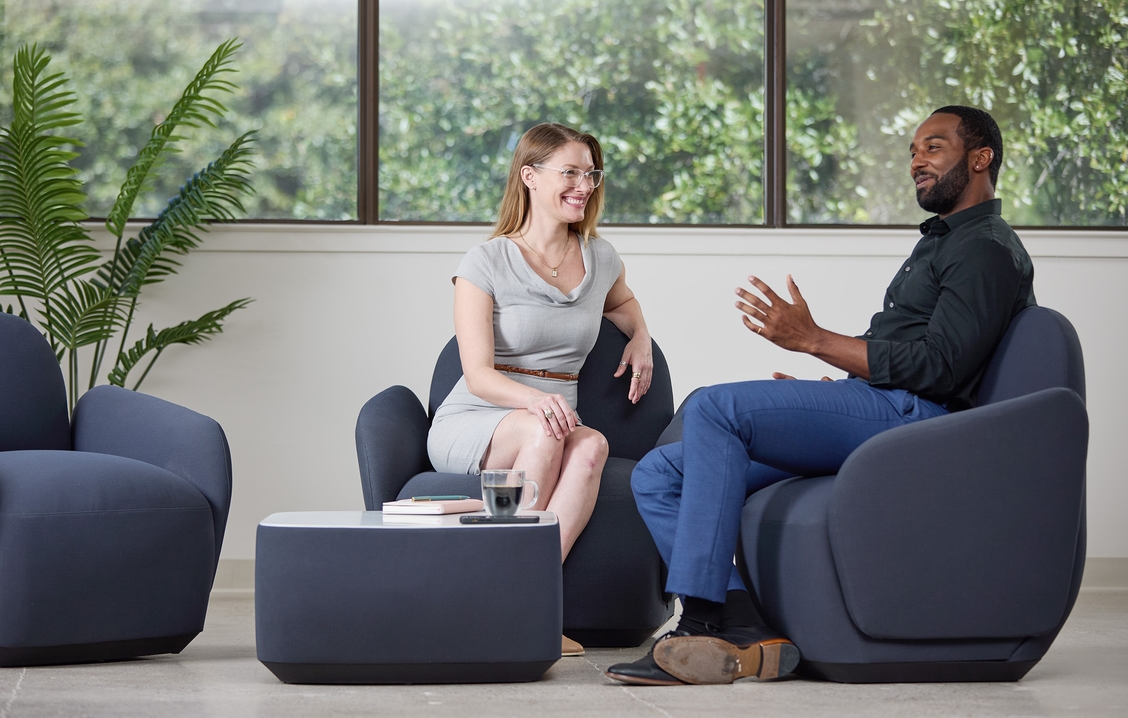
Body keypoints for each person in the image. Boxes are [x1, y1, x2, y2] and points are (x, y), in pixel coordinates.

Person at [606, 105, 1036, 686]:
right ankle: (745, 625)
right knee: (657, 473)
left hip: (917, 420)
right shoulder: (942, 243)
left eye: (933, 147)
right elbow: (911, 347)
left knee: (714, 406)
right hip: (883, 400)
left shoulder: (984, 248)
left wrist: (812, 340)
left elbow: (939, 368)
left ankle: (699, 622)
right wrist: (839, 378)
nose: (916, 161)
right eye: (912, 151)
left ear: (981, 158)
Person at [427, 123, 654, 656]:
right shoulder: (484, 262)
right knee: (550, 431)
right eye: (570, 172)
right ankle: (507, 608)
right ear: (529, 176)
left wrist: (640, 335)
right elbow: (479, 373)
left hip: (550, 417)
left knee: (592, 444)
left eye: (591, 174)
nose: (585, 185)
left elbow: (622, 304)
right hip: (483, 414)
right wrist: (533, 399)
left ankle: (517, 600)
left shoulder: (600, 257)